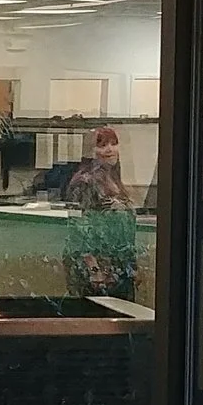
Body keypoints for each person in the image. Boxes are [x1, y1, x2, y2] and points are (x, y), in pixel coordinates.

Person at [62, 126, 139, 298]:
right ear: (91, 151)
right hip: (96, 272)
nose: (109, 149)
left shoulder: (116, 181)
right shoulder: (85, 182)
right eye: (102, 145)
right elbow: (78, 230)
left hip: (118, 269)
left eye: (114, 143)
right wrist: (94, 270)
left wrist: (132, 268)